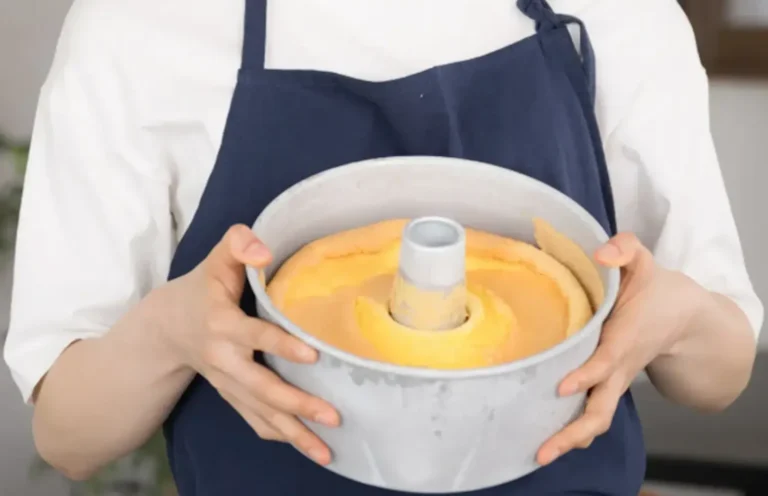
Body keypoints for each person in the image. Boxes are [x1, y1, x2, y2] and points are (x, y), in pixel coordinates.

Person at [4, 0, 762, 494]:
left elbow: (718, 375)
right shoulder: (139, 27)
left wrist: (676, 315)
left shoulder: (619, 14)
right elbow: (69, 435)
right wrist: (170, 333)